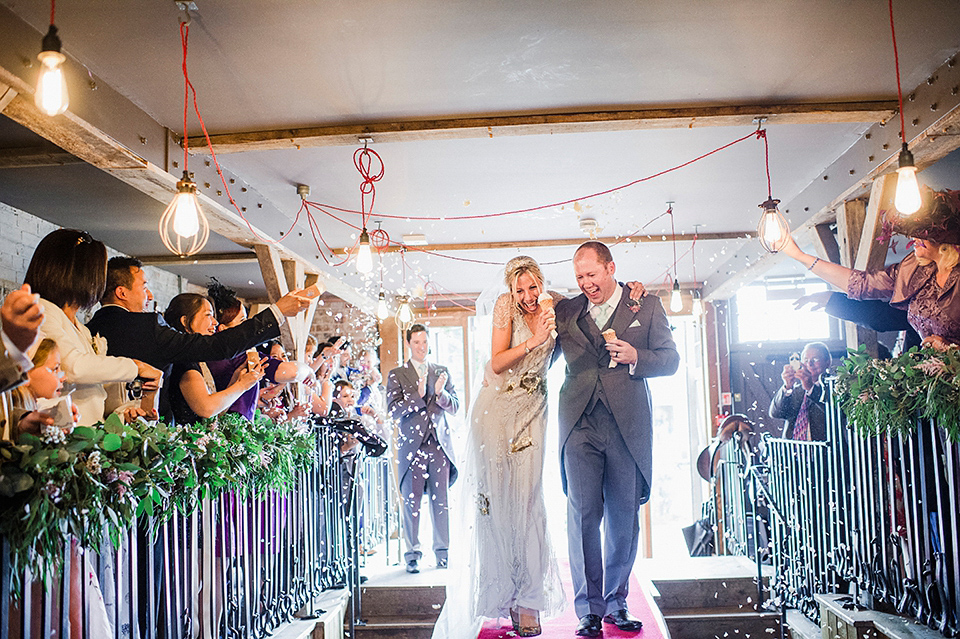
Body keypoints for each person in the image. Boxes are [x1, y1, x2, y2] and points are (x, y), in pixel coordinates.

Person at [554, 241, 679, 637]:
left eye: (592, 274)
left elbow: (671, 360)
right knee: (583, 515)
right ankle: (588, 609)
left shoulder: (647, 306)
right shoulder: (566, 311)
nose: (586, 283)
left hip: (627, 425)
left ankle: (616, 602)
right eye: (579, 277)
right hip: (579, 423)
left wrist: (636, 357)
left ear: (611, 268)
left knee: (623, 516)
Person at [86, 256, 311, 423]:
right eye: (144, 287)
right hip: (153, 438)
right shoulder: (148, 328)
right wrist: (278, 312)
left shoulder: (88, 330)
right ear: (122, 293)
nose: (150, 296)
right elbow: (220, 346)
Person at [777, 187, 960, 349]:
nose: (913, 238)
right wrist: (800, 256)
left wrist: (952, 350)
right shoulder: (914, 267)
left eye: (922, 233)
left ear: (945, 240)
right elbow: (861, 284)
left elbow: (884, 318)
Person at [24, 230, 163, 426]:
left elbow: (98, 396)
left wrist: (124, 414)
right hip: (58, 437)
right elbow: (72, 367)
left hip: (88, 439)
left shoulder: (82, 329)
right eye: (99, 272)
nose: (102, 281)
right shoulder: (42, 312)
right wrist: (135, 366)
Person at [386, 323, 459, 575]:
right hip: (411, 448)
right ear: (408, 344)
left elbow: (456, 407)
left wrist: (440, 394)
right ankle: (412, 555)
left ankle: (443, 553)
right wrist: (416, 396)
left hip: (439, 446)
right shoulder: (397, 374)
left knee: (441, 502)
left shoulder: (442, 371)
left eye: (425, 342)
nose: (422, 347)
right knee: (411, 503)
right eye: (416, 342)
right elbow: (393, 411)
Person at [163, 293, 265, 425]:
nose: (215, 322)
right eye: (208, 315)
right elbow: (206, 408)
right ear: (185, 321)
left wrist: (237, 378)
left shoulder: (196, 359)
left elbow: (216, 411)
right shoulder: (183, 361)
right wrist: (242, 385)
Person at [768, 342, 831, 441]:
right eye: (806, 360)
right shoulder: (796, 390)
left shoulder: (836, 386)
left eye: (815, 359)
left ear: (828, 362)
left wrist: (811, 388)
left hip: (825, 453)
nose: (809, 364)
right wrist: (787, 387)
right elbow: (775, 413)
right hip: (794, 453)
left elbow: (834, 412)